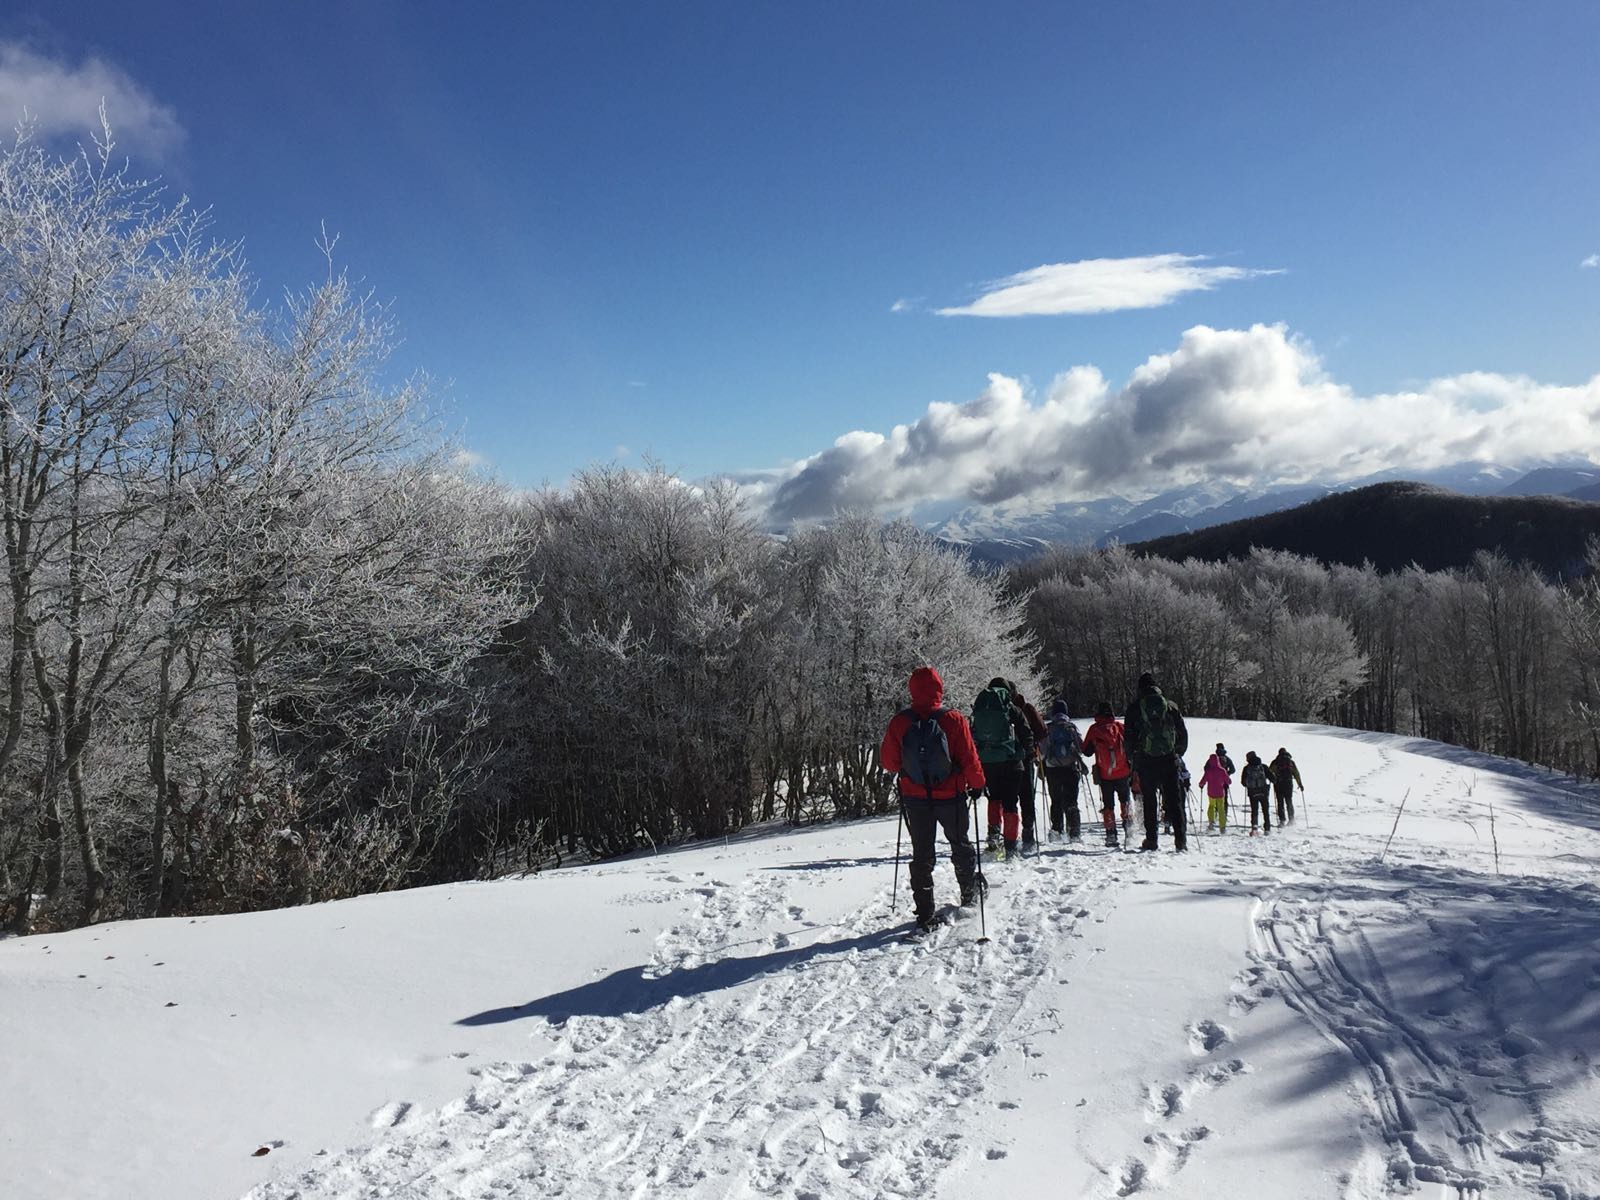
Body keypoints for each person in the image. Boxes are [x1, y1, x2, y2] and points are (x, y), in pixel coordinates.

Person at [880, 666, 986, 929]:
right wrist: (977, 784)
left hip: (915, 798)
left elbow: (889, 762)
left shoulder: (900, 722)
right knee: (960, 844)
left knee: (922, 853)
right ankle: (969, 895)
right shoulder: (953, 718)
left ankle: (925, 913)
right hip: (951, 795)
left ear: (911, 689)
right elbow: (969, 757)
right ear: (939, 687)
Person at [1124, 672, 1190, 851]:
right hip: (1169, 759)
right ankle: (1180, 840)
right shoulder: (1170, 706)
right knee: (1174, 801)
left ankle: (1152, 840)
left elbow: (1128, 737)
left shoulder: (1135, 708)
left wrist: (1132, 758)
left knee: (1149, 801)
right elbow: (1182, 734)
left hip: (1146, 761)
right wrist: (1177, 753)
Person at [971, 677, 1036, 858]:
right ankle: (1010, 847)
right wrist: (1028, 752)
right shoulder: (1011, 708)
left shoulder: (980, 708)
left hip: (987, 763)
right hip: (1011, 762)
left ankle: (993, 836)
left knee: (994, 799)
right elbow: (1025, 732)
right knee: (1010, 803)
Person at [1081, 701, 1134, 847]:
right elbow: (1130, 744)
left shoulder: (1094, 729)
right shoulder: (1119, 727)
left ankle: (1111, 835)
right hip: (1123, 771)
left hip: (1105, 775)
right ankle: (1129, 828)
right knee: (1125, 800)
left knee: (1108, 805)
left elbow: (1086, 751)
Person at [1010, 682, 1050, 845]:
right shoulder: (1026, 708)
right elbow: (1042, 731)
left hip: (1002, 761)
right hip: (1025, 758)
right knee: (1027, 797)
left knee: (1008, 799)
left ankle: (1008, 837)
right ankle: (1028, 833)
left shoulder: (998, 710)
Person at [1041, 700, 1085, 842]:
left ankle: (1057, 830)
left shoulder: (1048, 728)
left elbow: (1042, 750)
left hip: (1052, 769)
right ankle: (1074, 833)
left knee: (1056, 799)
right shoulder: (1071, 727)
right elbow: (1081, 747)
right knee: (1072, 800)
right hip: (1070, 768)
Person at [1241, 751, 1273, 835]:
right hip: (1263, 791)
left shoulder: (1247, 768)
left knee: (1254, 810)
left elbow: (1243, 782)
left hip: (1253, 792)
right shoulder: (1263, 767)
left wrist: (1248, 785)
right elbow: (1272, 777)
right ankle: (1267, 828)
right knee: (1265, 810)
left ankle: (1254, 827)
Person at [1270, 747, 1304, 823]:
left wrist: (1272, 780)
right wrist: (1300, 784)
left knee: (1280, 802)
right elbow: (1296, 774)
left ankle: (1282, 820)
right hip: (1288, 783)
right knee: (1289, 801)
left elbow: (1270, 772)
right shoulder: (1291, 762)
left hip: (1279, 784)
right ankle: (1291, 819)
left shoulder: (1275, 762)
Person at [1200, 750, 1231, 833]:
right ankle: (1222, 826)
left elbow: (1203, 780)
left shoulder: (1209, 771)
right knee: (1221, 808)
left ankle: (1211, 822)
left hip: (1211, 792)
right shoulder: (1222, 770)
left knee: (1211, 806)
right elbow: (1228, 781)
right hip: (1220, 792)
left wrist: (1201, 785)